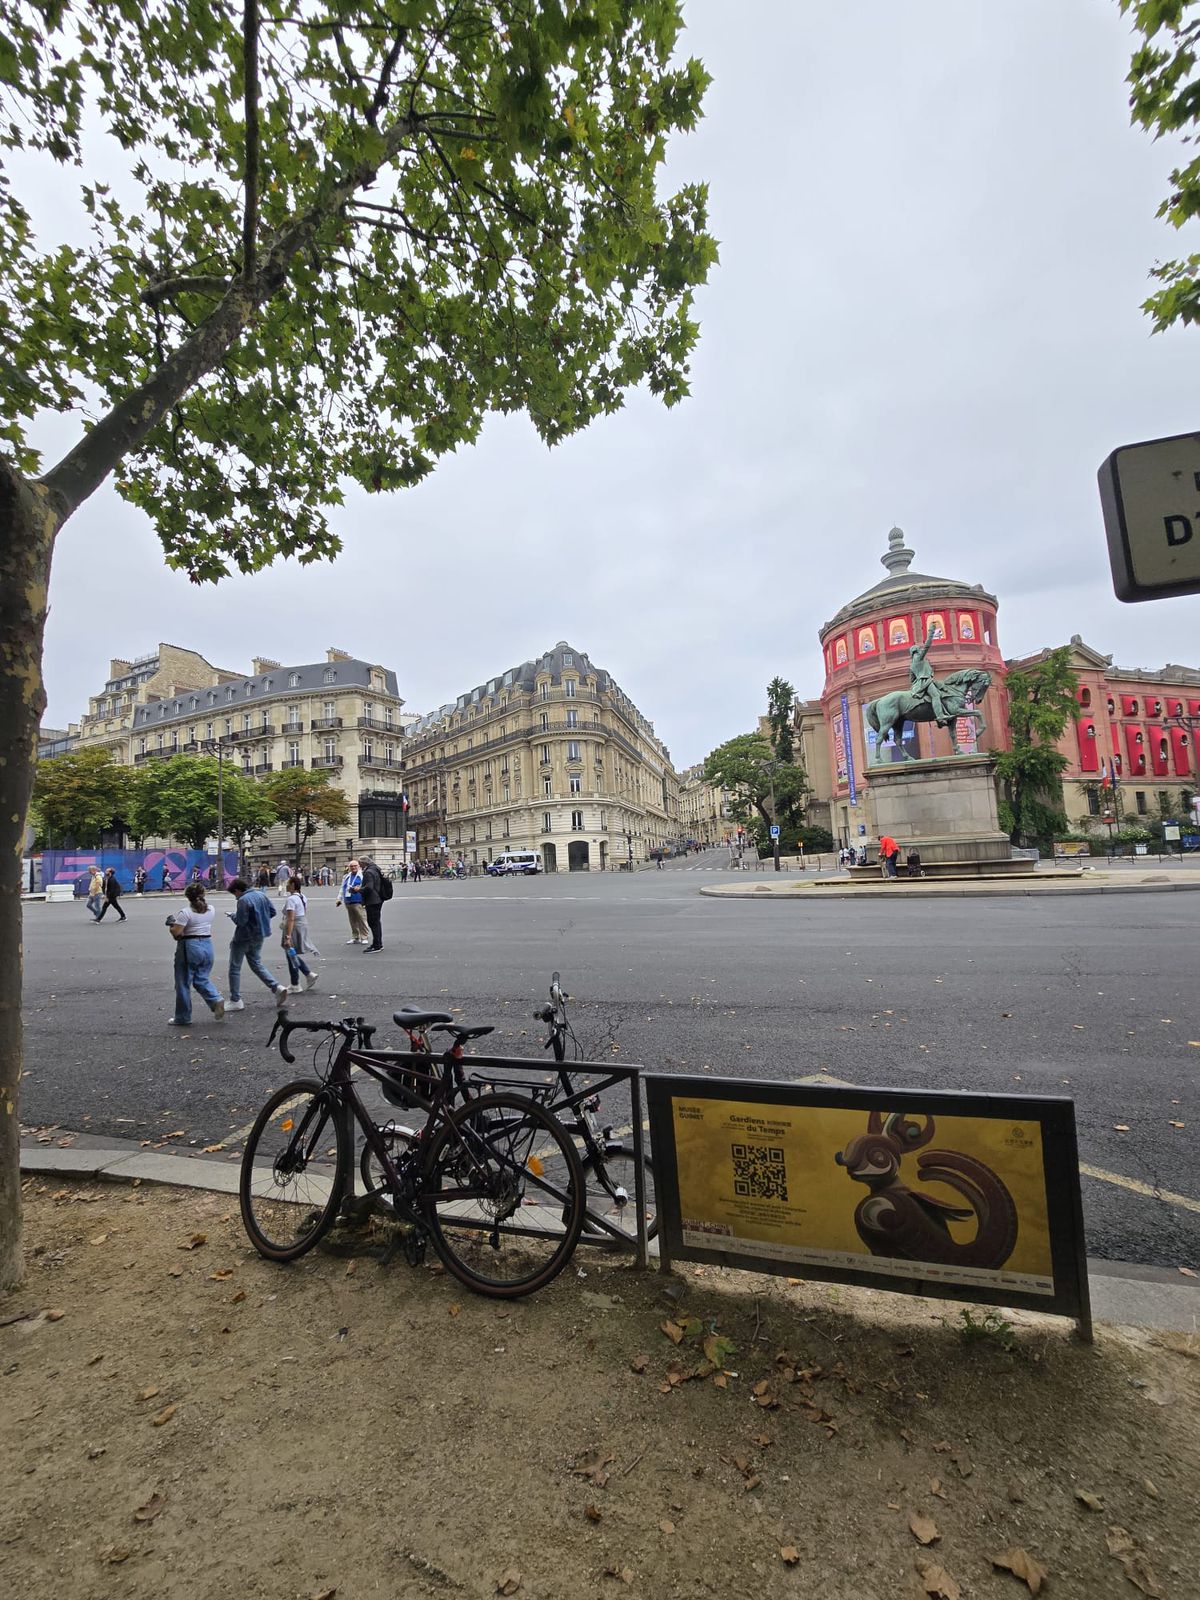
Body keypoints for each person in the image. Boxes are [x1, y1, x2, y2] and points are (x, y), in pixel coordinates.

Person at [225, 876, 289, 1012]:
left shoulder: (243, 900)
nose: (235, 897)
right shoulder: (261, 894)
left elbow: (241, 921)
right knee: (256, 964)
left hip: (243, 937)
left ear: (238, 890)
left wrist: (232, 915)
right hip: (260, 934)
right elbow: (272, 912)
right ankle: (276, 987)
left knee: (234, 967)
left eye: (234, 893)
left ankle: (235, 1000)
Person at [166, 882, 225, 1025]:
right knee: (201, 978)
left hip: (190, 946)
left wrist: (171, 925)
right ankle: (215, 999)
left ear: (188, 897)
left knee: (183, 982)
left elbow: (177, 934)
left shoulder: (185, 912)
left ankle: (183, 1017)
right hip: (207, 945)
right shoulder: (211, 909)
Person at [281, 875, 319, 992]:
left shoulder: (291, 899)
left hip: (294, 926)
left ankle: (296, 983)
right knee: (291, 953)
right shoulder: (302, 897)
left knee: (290, 953)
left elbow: (291, 918)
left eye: (288, 883)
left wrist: (288, 936)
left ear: (293, 885)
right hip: (302, 924)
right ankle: (306, 975)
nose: (286, 885)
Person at [338, 858, 369, 944]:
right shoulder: (346, 876)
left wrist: (365, 901)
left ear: (359, 866)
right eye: (351, 866)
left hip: (358, 901)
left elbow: (366, 888)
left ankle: (364, 937)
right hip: (348, 901)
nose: (353, 867)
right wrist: (339, 898)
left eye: (355, 866)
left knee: (362, 920)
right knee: (352, 921)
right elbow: (342, 888)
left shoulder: (362, 875)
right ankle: (355, 937)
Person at [359, 856, 385, 952]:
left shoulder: (368, 872)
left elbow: (369, 887)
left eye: (360, 863)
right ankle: (377, 943)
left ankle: (377, 945)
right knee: (376, 922)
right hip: (378, 898)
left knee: (373, 923)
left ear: (364, 863)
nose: (359, 865)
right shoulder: (376, 869)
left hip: (372, 900)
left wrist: (358, 889)